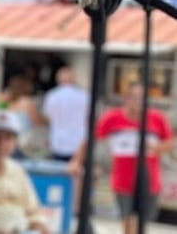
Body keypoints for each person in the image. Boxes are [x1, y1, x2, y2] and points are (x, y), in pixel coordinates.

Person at [69, 82, 174, 234]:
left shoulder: (157, 118)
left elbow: (169, 142)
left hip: (150, 179)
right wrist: (76, 161)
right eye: (135, 98)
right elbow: (90, 140)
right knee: (129, 218)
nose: (139, 102)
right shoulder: (112, 117)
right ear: (127, 98)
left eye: (143, 98)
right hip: (123, 179)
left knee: (142, 220)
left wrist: (157, 148)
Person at [40, 66, 88, 162]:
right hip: (79, 143)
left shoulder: (51, 96)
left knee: (59, 173)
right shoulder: (85, 96)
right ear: (74, 78)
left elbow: (47, 117)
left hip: (58, 142)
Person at [0, 74, 42, 158]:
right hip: (20, 144)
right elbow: (37, 122)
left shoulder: (3, 100)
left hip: (4, 141)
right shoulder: (27, 103)